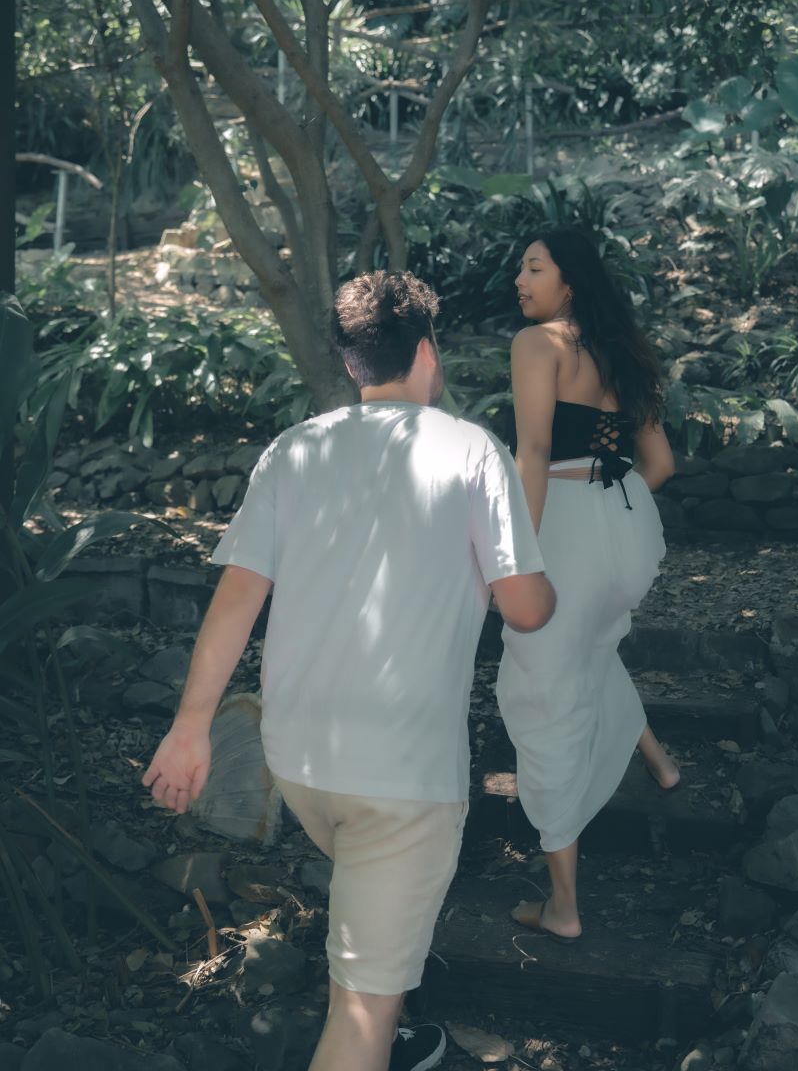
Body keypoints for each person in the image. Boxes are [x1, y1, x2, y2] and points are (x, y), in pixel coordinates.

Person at [142, 270, 556, 1071]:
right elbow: (526, 610)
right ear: (428, 352)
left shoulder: (297, 447)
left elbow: (235, 599)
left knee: (373, 929)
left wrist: (190, 728)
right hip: (403, 773)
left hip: (302, 761)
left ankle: (395, 1027)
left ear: (349, 361)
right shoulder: (471, 448)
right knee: (357, 1011)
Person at [496, 227, 677, 943]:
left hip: (566, 530)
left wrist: (518, 554)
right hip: (626, 526)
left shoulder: (536, 345)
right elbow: (656, 463)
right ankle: (659, 764)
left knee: (542, 697)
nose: (519, 277)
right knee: (592, 650)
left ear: (568, 282)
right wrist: (612, 505)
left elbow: (534, 450)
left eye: (533, 266)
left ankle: (563, 907)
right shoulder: (620, 351)